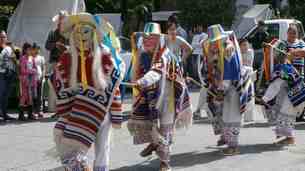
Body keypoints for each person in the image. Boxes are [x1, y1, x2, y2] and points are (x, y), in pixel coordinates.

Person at [51, 12, 125, 171]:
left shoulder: (104, 52)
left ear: (93, 33)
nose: (80, 36)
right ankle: (80, 166)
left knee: (102, 144)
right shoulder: (67, 56)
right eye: (76, 32)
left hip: (101, 107)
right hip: (77, 108)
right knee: (60, 133)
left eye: (85, 31)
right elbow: (59, 80)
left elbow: (116, 75)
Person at [128, 23, 192, 171]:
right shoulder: (142, 55)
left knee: (165, 126)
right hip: (150, 94)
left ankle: (165, 161)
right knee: (147, 122)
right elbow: (135, 73)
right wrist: (137, 80)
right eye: (145, 38)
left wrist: (143, 81)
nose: (147, 41)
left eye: (152, 38)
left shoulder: (165, 55)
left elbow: (156, 72)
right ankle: (155, 142)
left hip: (169, 96)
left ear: (158, 40)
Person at [202, 24, 254, 155]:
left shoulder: (227, 51)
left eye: (215, 41)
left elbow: (228, 74)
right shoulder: (222, 49)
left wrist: (220, 91)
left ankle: (234, 146)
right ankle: (228, 141)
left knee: (232, 117)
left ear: (220, 39)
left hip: (233, 88)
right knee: (226, 116)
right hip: (227, 88)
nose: (213, 44)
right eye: (212, 41)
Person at [260, 39, 305, 145]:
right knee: (283, 112)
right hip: (296, 94)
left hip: (295, 95)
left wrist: (264, 99)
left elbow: (275, 86)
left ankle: (289, 138)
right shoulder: (286, 65)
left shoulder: (283, 67)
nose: (273, 56)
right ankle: (287, 136)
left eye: (275, 53)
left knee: (286, 113)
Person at [45, 10, 69, 116]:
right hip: (55, 62)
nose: (61, 21)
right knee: (56, 85)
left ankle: (66, 109)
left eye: (63, 18)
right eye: (60, 19)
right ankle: (59, 110)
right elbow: (47, 46)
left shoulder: (70, 32)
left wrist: (65, 48)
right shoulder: (52, 32)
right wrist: (55, 45)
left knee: (66, 86)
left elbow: (74, 47)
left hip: (66, 63)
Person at [284, 24, 305, 122]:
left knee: (301, 91)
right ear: (287, 33)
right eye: (290, 33)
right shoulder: (284, 43)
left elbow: (303, 52)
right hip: (289, 71)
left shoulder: (301, 42)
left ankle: (300, 114)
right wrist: (296, 54)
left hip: (300, 70)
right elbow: (283, 56)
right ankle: (292, 113)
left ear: (297, 34)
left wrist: (293, 52)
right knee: (291, 92)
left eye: (294, 33)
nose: (292, 35)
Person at [0, 30, 16, 121]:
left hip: (10, 72)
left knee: (6, 94)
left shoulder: (9, 48)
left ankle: (4, 113)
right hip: (1, 73)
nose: (3, 38)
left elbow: (15, 58)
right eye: (1, 37)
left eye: (4, 37)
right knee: (1, 93)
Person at [19, 43, 37, 121]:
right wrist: (31, 71)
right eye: (28, 49)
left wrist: (33, 71)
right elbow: (22, 70)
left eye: (30, 49)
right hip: (25, 79)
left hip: (31, 79)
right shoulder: (23, 58)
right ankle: (21, 115)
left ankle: (30, 114)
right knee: (24, 96)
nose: (30, 51)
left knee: (30, 97)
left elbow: (35, 68)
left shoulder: (32, 58)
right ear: (25, 50)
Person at [239, 38, 256, 123]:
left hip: (249, 74)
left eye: (247, 44)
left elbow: (248, 64)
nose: (246, 47)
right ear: (239, 46)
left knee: (251, 94)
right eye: (243, 45)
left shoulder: (250, 52)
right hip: (241, 77)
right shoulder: (237, 53)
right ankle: (241, 114)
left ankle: (249, 117)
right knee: (243, 94)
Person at [32, 43, 45, 118]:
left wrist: (42, 76)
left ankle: (40, 110)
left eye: (38, 49)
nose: (37, 51)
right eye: (36, 49)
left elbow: (44, 68)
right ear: (33, 50)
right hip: (32, 79)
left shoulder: (41, 58)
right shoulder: (30, 58)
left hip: (40, 78)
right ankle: (34, 111)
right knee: (34, 95)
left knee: (40, 95)